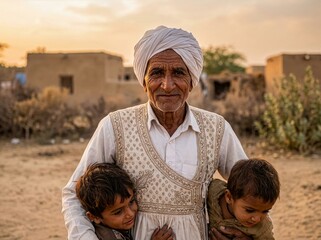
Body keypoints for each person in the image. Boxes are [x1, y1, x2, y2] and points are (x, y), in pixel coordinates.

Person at [62, 25, 249, 240]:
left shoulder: (216, 128)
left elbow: (250, 190)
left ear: (192, 81)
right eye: (157, 73)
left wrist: (246, 235)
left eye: (178, 73)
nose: (167, 85)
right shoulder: (115, 126)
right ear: (143, 80)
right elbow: (73, 195)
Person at [75, 162, 174, 240]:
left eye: (131, 202)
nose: (130, 213)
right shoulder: (108, 237)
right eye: (118, 212)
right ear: (94, 217)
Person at [207, 159, 280, 240]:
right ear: (229, 197)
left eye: (265, 211)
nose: (257, 219)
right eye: (250, 210)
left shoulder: (262, 228)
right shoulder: (212, 192)